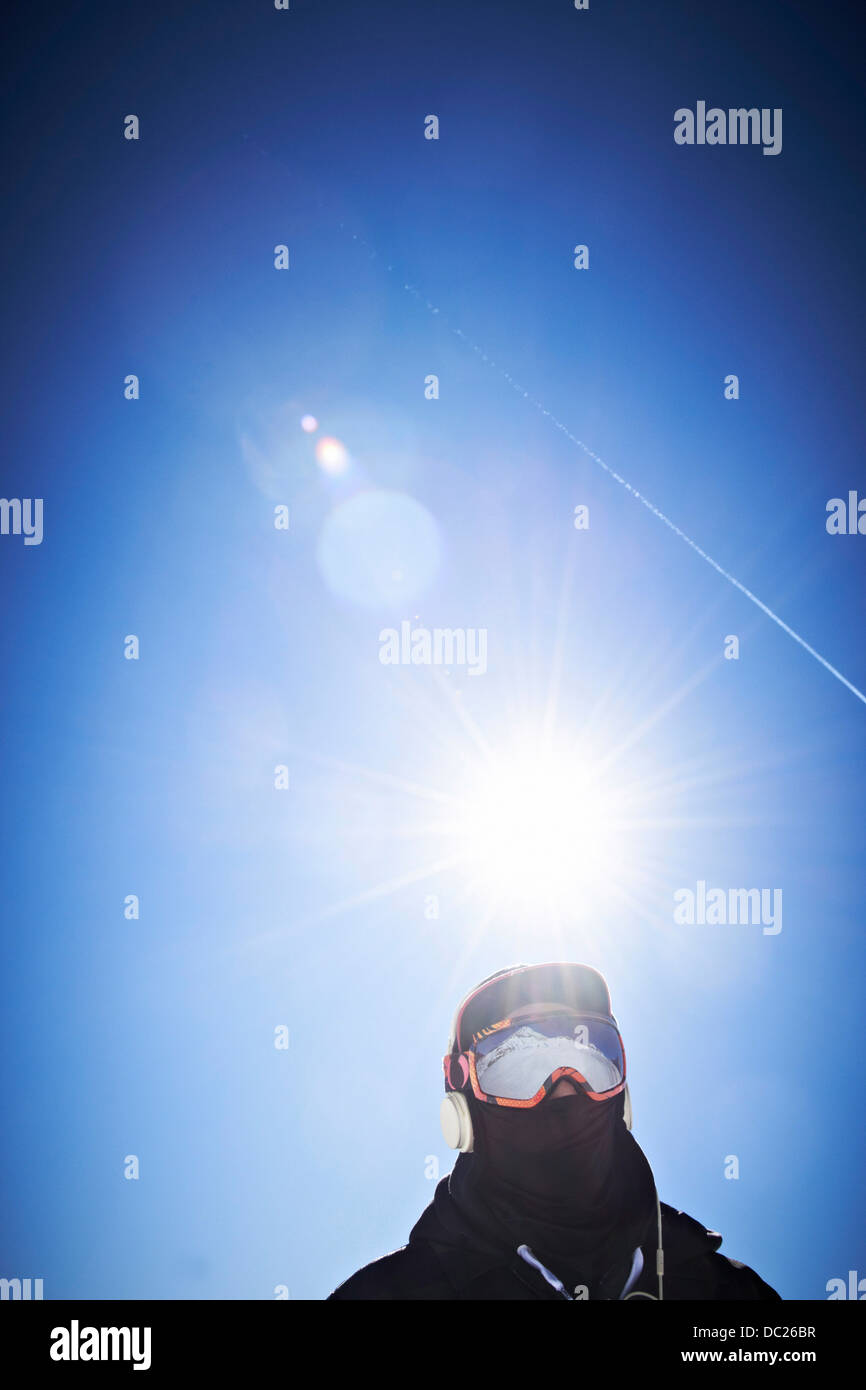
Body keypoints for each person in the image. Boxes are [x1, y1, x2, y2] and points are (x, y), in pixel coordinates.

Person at [326, 961, 781, 1300]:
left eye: (589, 1059)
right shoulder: (392, 1294)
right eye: (517, 1066)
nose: (565, 1091)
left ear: (621, 1098)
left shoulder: (727, 1291)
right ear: (464, 1113)